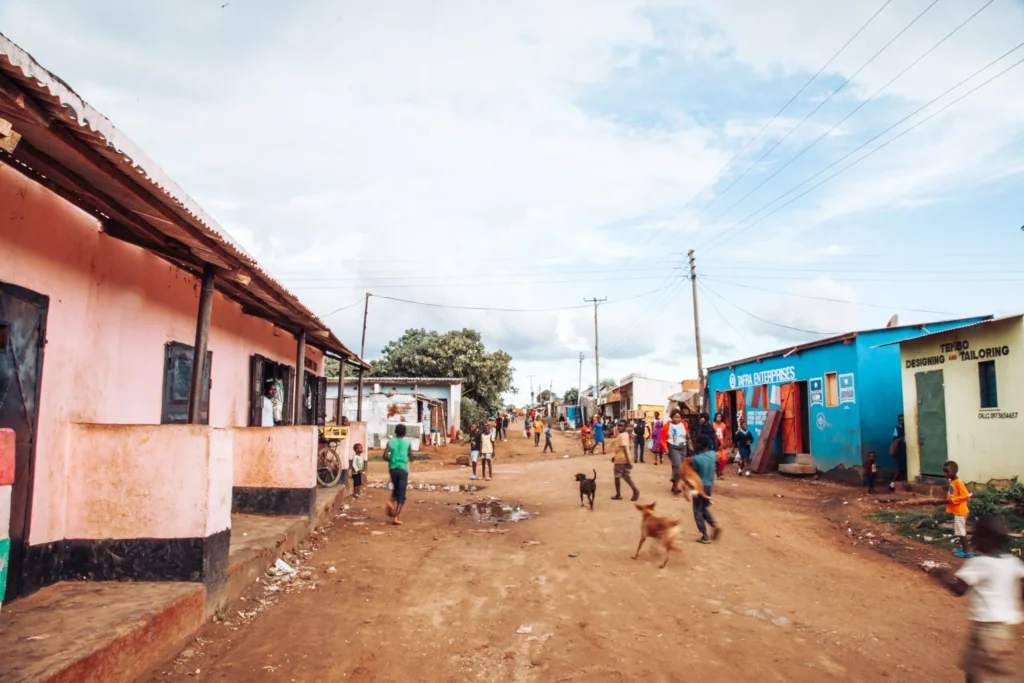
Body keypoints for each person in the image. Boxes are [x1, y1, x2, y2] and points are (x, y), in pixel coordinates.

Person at [929, 515, 1024, 683]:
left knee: (995, 676)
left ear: (985, 539)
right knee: (972, 668)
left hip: (987, 632)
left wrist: (942, 576)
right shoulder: (1012, 562)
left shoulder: (980, 563)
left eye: (976, 537)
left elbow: (959, 589)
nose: (974, 541)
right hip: (1001, 632)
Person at [691, 435, 720, 544]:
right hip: (709, 486)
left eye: (696, 442)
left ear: (700, 445)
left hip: (697, 487)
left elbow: (693, 474)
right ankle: (714, 525)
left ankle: (704, 535)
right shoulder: (713, 455)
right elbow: (716, 465)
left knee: (697, 510)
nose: (694, 444)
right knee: (703, 508)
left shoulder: (697, 459)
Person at [384, 423, 411, 526]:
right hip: (403, 469)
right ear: (405, 433)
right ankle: (396, 517)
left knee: (396, 488)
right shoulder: (407, 444)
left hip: (393, 469)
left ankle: (391, 502)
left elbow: (385, 456)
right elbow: (411, 457)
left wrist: (391, 461)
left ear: (395, 432)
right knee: (402, 493)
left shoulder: (390, 443)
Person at [945, 460, 973, 558]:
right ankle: (965, 549)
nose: (945, 473)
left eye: (947, 471)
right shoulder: (952, 481)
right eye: (944, 471)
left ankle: (966, 552)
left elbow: (966, 495)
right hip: (958, 510)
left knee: (961, 531)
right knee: (959, 531)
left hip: (961, 511)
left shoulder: (958, 482)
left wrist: (952, 500)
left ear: (953, 471)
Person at [661, 409, 689, 495]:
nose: (677, 419)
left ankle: (674, 484)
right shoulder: (667, 426)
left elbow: (686, 434)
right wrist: (665, 447)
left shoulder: (684, 424)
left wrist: (688, 435)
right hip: (673, 447)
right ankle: (676, 485)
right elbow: (662, 439)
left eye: (679, 417)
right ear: (672, 417)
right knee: (678, 466)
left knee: (677, 467)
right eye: (675, 417)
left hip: (683, 448)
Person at [610, 420, 640, 501]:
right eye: (618, 425)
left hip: (620, 460)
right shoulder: (626, 435)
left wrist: (629, 461)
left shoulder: (622, 436)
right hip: (624, 458)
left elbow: (625, 449)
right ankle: (635, 490)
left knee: (617, 477)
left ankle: (618, 494)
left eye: (621, 426)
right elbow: (626, 448)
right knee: (626, 476)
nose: (619, 427)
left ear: (625, 427)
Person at [890, 414, 907, 491]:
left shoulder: (907, 428)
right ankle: (892, 484)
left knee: (904, 468)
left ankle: (900, 485)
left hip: (905, 450)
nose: (901, 421)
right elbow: (895, 439)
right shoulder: (897, 429)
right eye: (900, 420)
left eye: (902, 420)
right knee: (898, 468)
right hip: (900, 450)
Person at [712, 412, 729, 478]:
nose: (719, 418)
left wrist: (724, 443)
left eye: (720, 417)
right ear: (715, 417)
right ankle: (718, 473)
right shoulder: (712, 425)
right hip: (715, 445)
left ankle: (721, 471)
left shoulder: (723, 425)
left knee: (724, 459)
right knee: (717, 460)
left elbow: (726, 435)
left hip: (722, 445)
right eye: (717, 416)